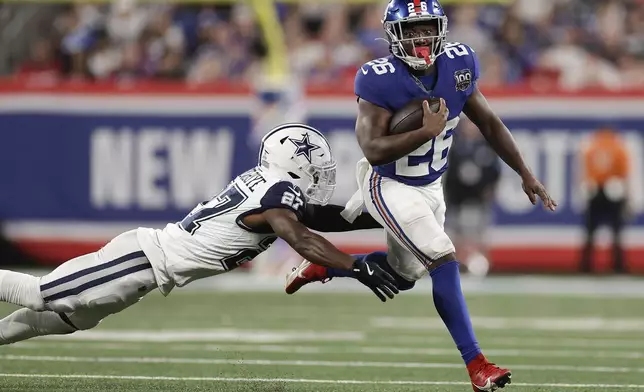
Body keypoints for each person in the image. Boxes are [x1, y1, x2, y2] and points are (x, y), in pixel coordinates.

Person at [284, 1, 557, 391]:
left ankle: (324, 266)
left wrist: (525, 173)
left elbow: (490, 122)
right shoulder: (378, 79)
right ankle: (477, 366)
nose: (421, 37)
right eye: (411, 30)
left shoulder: (458, 65)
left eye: (427, 28)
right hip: (388, 184)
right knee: (442, 255)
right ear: (394, 35)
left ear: (440, 29)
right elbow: (373, 149)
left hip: (430, 187)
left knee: (406, 275)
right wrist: (423, 133)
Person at [0, 123, 398, 346]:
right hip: (142, 259)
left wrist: (384, 215)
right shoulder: (276, 192)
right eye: (316, 166)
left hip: (149, 270)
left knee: (66, 320)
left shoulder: (274, 188)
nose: (321, 176)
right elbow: (300, 237)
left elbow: (317, 219)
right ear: (294, 162)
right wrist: (355, 266)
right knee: (42, 294)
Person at [444, 118, 501, 277]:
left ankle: (481, 267)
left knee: (479, 237)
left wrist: (489, 191)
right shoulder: (455, 147)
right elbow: (449, 175)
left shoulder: (486, 148)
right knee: (455, 236)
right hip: (457, 200)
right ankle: (456, 267)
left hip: (478, 200)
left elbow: (494, 173)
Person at [580, 127, 631, 273]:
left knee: (591, 231)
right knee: (616, 231)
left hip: (596, 190)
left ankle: (585, 266)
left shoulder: (591, 147)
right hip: (613, 190)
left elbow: (586, 171)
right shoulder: (619, 148)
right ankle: (618, 266)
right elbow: (624, 172)